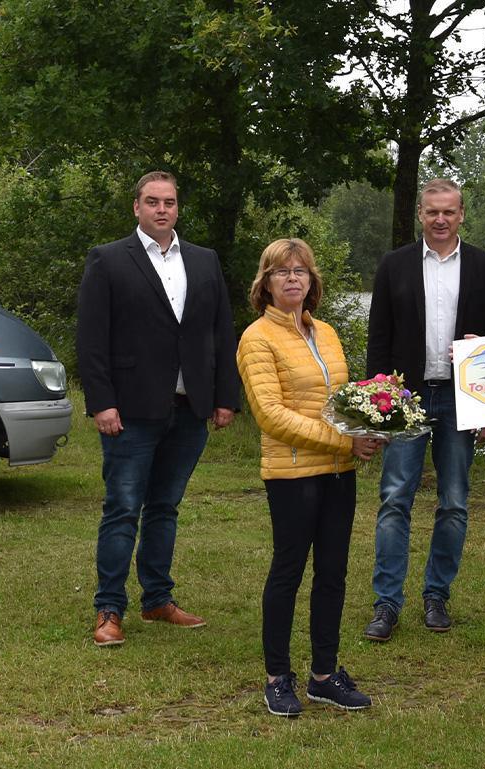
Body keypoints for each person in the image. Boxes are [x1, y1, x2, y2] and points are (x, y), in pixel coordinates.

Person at [76, 170, 241, 647]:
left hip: (190, 407)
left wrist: (225, 397)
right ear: (137, 207)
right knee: (123, 508)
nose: (161, 209)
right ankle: (110, 608)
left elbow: (221, 332)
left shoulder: (204, 260)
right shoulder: (109, 259)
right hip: (130, 409)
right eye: (152, 201)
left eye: (169, 202)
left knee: (165, 507)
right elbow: (92, 338)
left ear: (177, 207)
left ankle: (157, 599)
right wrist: (102, 402)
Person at [237, 238, 382, 717]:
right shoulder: (257, 338)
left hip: (338, 473)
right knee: (289, 571)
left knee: (333, 572)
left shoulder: (327, 332)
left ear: (312, 280)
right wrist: (344, 441)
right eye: (282, 272)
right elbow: (271, 415)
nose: (292, 278)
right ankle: (277, 677)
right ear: (266, 283)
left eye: (300, 270)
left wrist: (370, 425)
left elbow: (339, 401)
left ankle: (324, 675)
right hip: (293, 473)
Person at [363, 178, 485, 641]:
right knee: (394, 499)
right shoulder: (394, 265)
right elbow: (378, 339)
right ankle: (387, 603)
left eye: (449, 211)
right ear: (420, 215)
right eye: (432, 212)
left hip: (460, 399)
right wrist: (377, 408)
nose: (440, 219)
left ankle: (436, 596)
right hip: (406, 396)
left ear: (461, 214)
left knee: (454, 502)